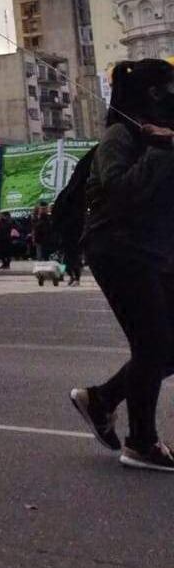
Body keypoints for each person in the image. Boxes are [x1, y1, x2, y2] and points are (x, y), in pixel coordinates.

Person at [69, 58, 174, 472]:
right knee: (152, 345)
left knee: (170, 345)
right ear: (152, 92)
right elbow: (121, 194)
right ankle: (141, 442)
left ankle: (102, 399)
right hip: (119, 249)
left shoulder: (161, 135)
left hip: (155, 251)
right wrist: (161, 149)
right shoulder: (121, 134)